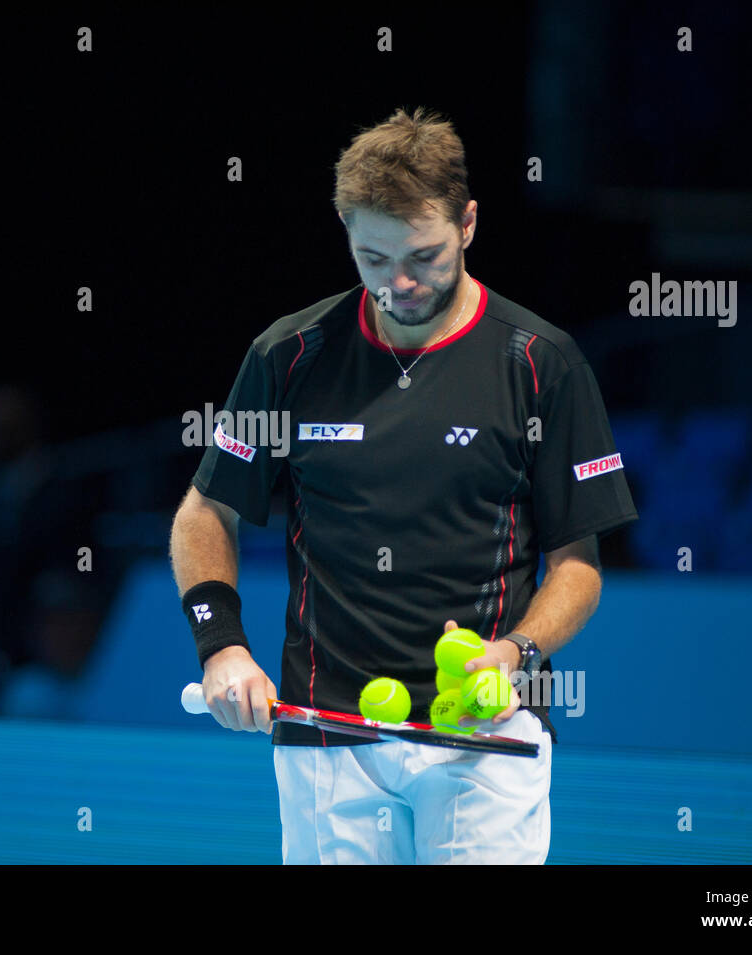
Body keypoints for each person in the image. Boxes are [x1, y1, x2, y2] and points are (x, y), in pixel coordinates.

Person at [169, 107, 638, 864]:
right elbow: (206, 512)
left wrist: (516, 650)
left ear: (470, 223)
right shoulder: (288, 357)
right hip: (325, 733)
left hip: (485, 737)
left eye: (423, 255)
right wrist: (220, 645)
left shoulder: (543, 364)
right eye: (374, 258)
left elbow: (577, 564)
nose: (401, 283)